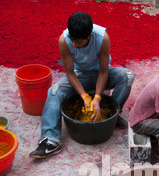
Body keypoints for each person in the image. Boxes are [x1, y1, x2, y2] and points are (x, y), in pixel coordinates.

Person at [30, 11, 134, 158]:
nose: (74, 44)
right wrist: (85, 96)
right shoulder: (64, 40)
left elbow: (104, 72)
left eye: (78, 42)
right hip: (80, 75)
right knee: (54, 92)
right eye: (72, 39)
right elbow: (70, 73)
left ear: (89, 36)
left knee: (127, 77)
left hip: (101, 72)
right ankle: (50, 140)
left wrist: (97, 98)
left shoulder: (102, 38)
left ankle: (112, 116)